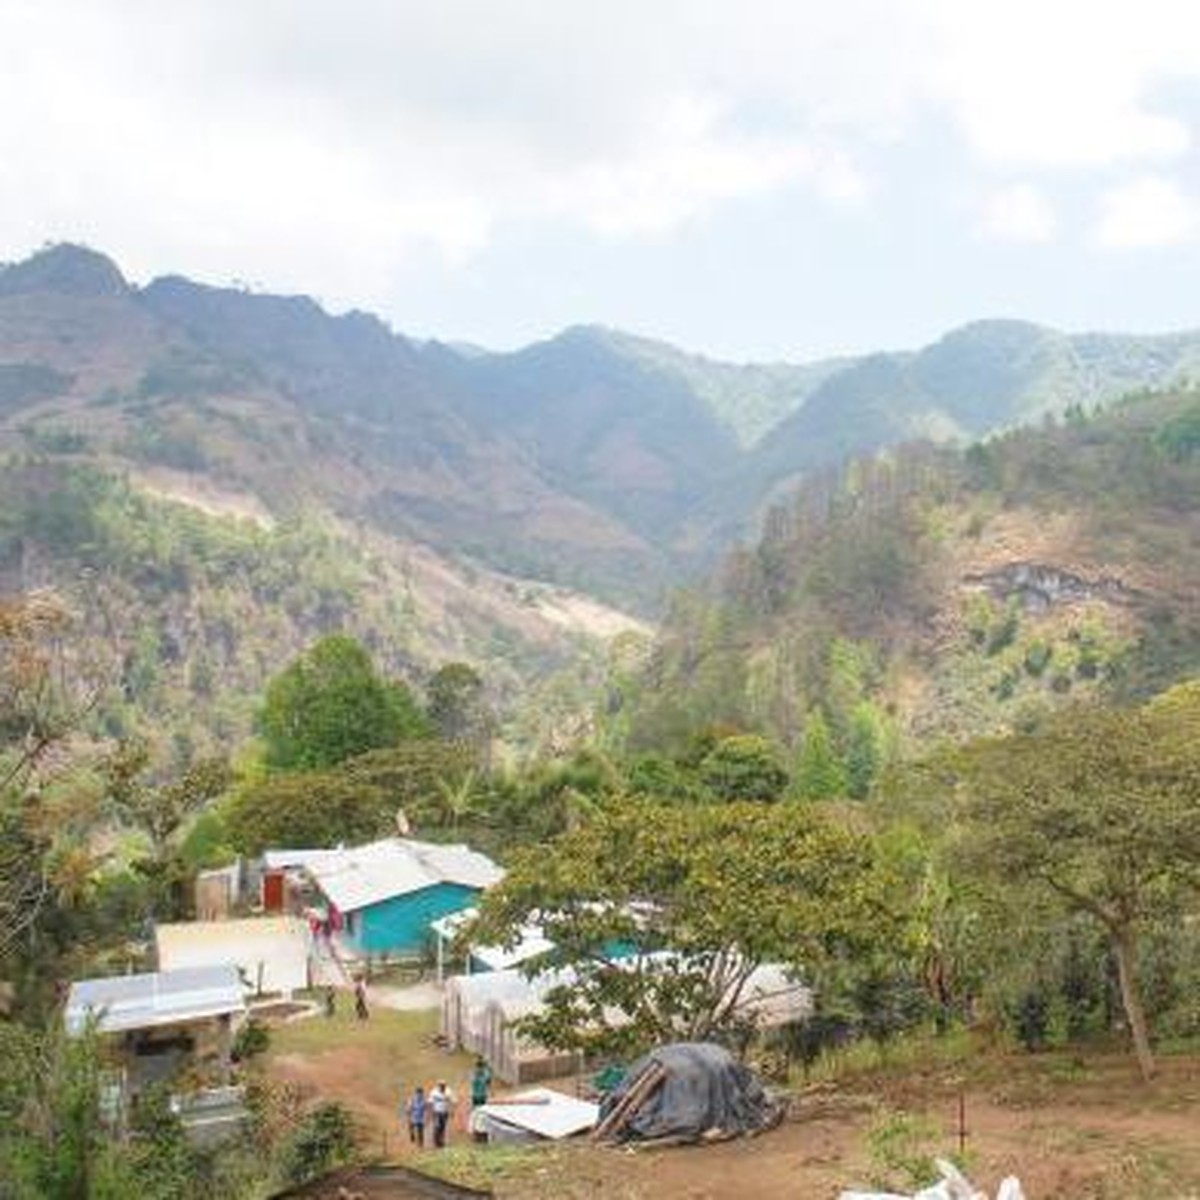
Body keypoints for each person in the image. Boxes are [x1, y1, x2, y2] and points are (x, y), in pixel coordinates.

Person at [429, 1080, 454, 1148]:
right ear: (438, 1086)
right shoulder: (434, 1092)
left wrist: (452, 1110)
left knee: (443, 1127)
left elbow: (452, 1101)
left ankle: (441, 1142)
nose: (442, 1087)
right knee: (437, 1127)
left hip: (445, 1112)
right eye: (441, 1086)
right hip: (436, 1112)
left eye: (443, 1086)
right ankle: (436, 1142)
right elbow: (430, 1102)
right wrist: (431, 1112)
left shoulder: (448, 1091)